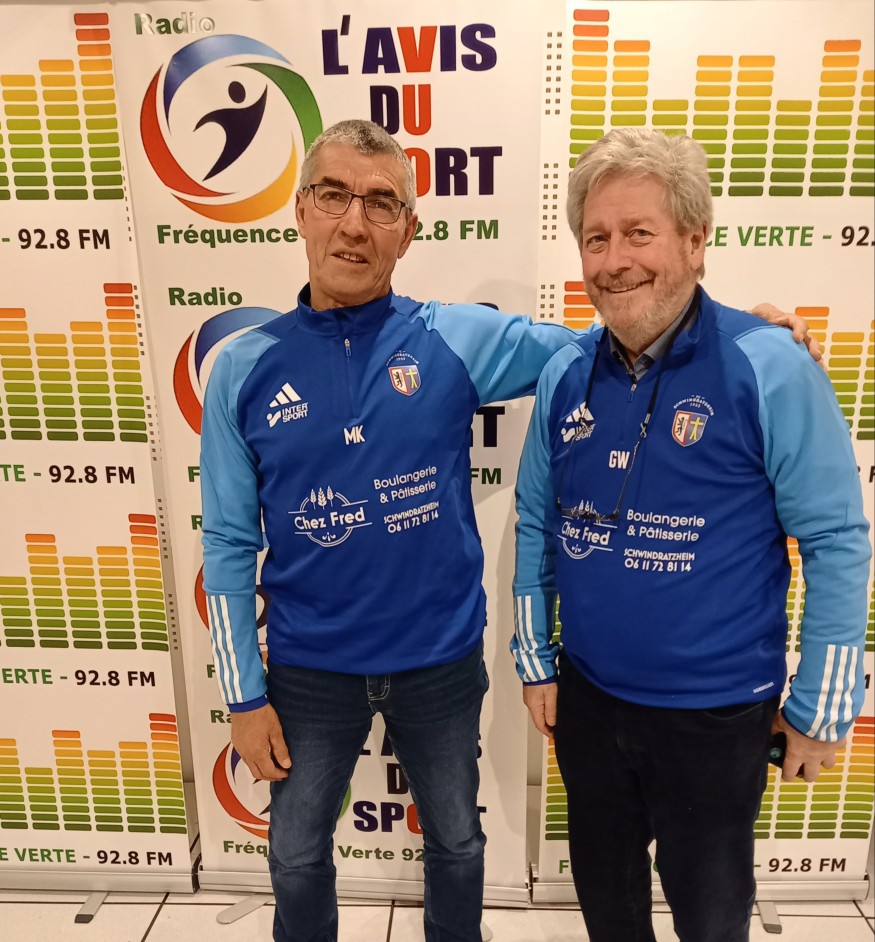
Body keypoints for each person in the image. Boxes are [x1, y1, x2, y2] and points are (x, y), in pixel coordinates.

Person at [200, 118, 817, 942]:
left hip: (439, 663)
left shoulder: (453, 337)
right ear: (301, 209)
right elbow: (227, 545)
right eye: (333, 195)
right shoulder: (242, 367)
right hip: (308, 670)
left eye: (381, 203)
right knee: (295, 851)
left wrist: (746, 330)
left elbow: (622, 329)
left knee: (457, 842)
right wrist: (243, 697)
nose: (354, 222)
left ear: (408, 231)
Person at [511, 127, 870, 942]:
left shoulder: (771, 364)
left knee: (709, 919)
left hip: (715, 716)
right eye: (595, 239)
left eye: (638, 233)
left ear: (695, 239)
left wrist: (821, 707)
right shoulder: (565, 372)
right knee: (607, 906)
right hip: (588, 701)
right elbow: (535, 521)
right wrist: (535, 662)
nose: (613, 260)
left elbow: (835, 541)